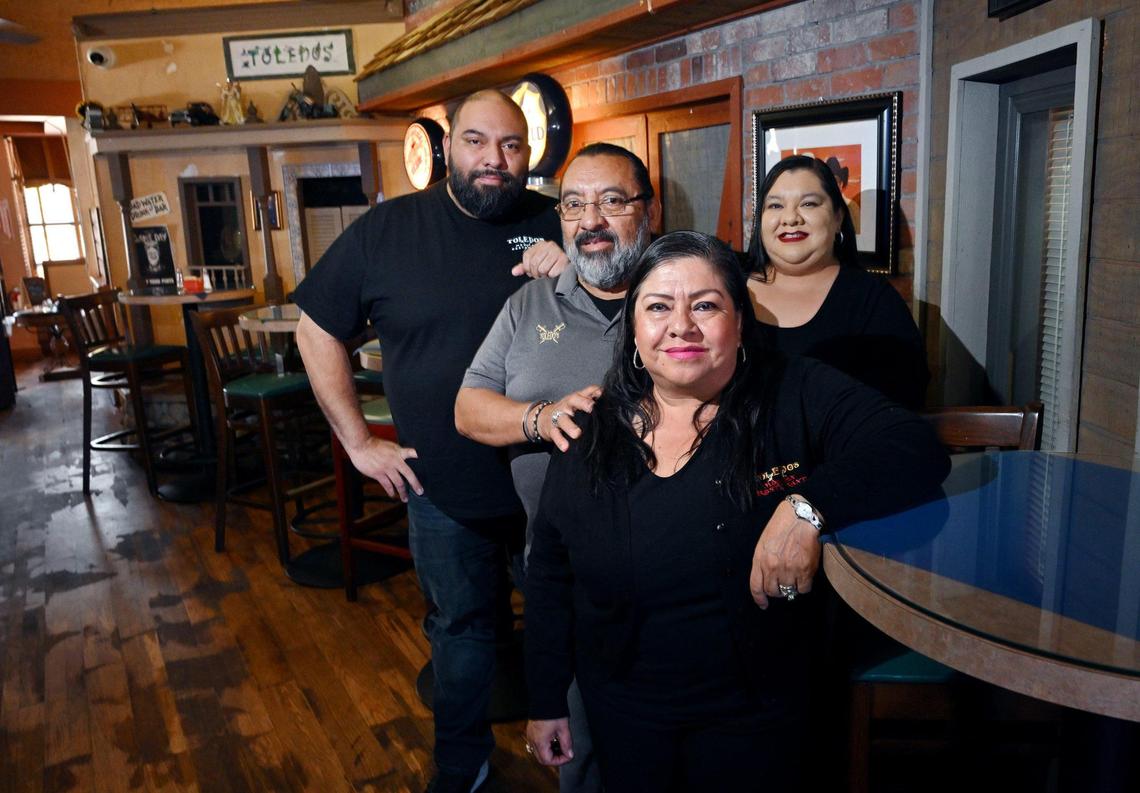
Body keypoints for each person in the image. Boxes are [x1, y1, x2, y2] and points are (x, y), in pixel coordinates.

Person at [523, 231, 949, 791]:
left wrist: (807, 507)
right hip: (624, 709)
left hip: (759, 712)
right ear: (634, 332)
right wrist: (546, 700)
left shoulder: (792, 391)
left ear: (741, 322)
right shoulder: (590, 428)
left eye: (705, 305)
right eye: (658, 307)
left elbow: (913, 447)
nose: (681, 326)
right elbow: (550, 571)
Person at [293, 89, 566, 793]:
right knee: (460, 633)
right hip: (442, 486)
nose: (494, 159)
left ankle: (585, 761)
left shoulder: (558, 220)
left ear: (526, 154)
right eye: (476, 141)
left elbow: (627, 306)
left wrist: (569, 268)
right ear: (447, 146)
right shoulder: (388, 231)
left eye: (510, 145)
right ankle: (462, 766)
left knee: (572, 624)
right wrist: (358, 442)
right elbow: (315, 328)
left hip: (554, 486)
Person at [456, 142, 659, 793]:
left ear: (649, 211)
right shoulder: (528, 305)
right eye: (573, 205)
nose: (590, 220)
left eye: (611, 201)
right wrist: (540, 419)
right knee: (579, 754)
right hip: (561, 577)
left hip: (670, 577)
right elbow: (467, 407)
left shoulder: (680, 295)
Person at [746, 154, 929, 409]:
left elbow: (900, 400)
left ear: (838, 217)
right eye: (775, 206)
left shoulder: (872, 299)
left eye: (808, 204)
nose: (790, 218)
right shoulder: (728, 287)